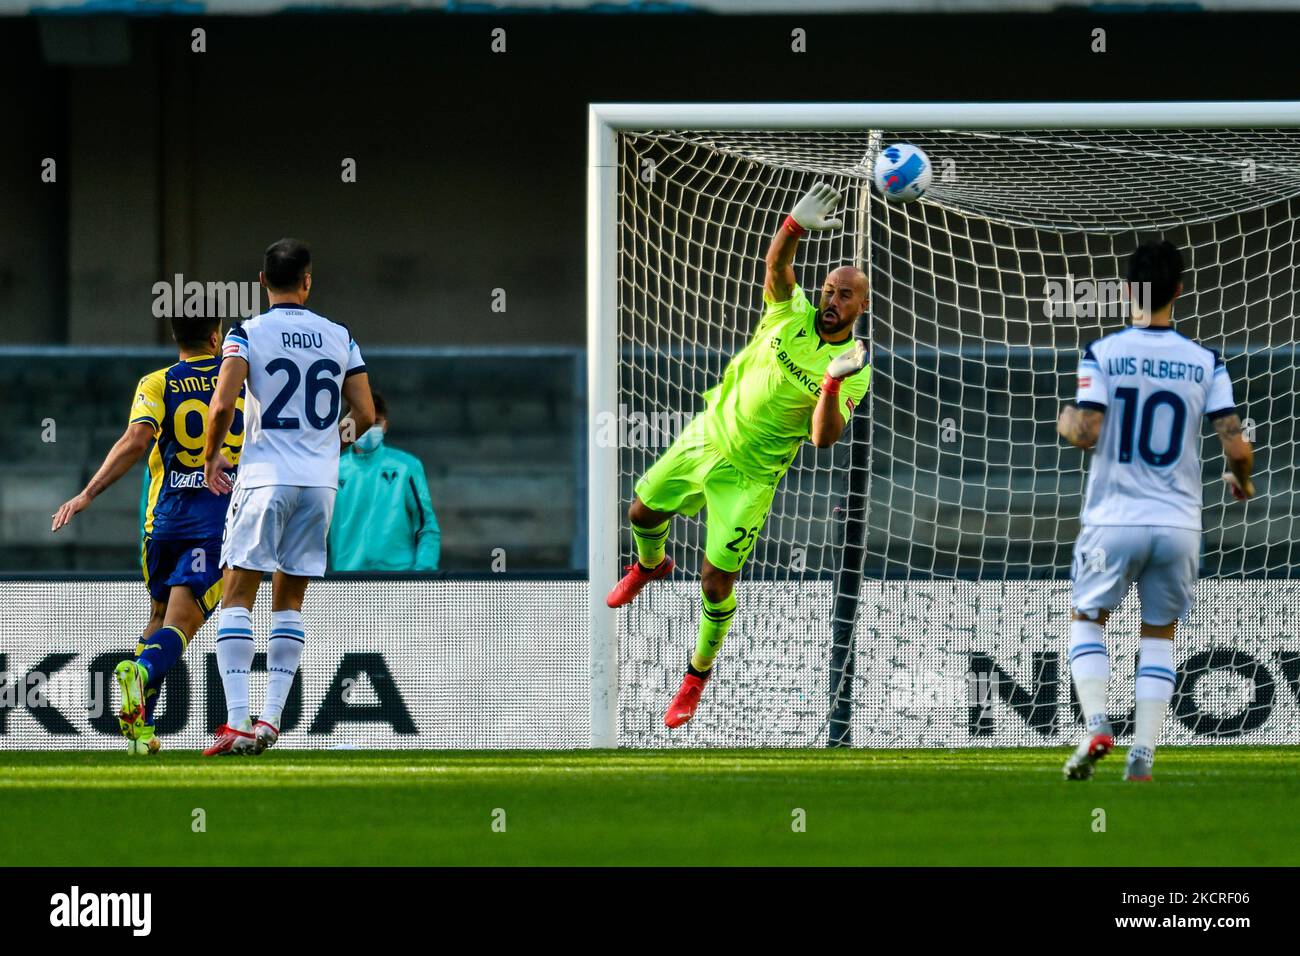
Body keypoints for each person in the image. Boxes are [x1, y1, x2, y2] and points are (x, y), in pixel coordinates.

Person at [606, 182, 871, 729]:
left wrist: (828, 384)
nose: (831, 298)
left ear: (862, 307)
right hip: (706, 436)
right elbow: (777, 267)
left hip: (750, 478)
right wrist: (792, 228)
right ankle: (650, 567)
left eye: (845, 294)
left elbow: (823, 440)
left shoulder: (854, 366)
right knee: (640, 513)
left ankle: (694, 677)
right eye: (828, 289)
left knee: (714, 582)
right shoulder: (789, 313)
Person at [1057, 239, 1254, 782]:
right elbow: (1236, 446)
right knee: (1159, 633)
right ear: (1180, 290)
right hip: (1178, 523)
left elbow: (1087, 432)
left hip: (1113, 520)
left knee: (1088, 619)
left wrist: (1065, 419)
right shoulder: (1205, 362)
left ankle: (1097, 723)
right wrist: (1241, 480)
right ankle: (1142, 757)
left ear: (1127, 291)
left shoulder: (1104, 353)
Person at [202, 238, 374, 756]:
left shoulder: (246, 333)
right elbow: (364, 414)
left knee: (237, 593)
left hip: (265, 477)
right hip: (319, 484)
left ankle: (235, 722)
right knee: (290, 600)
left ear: (261, 282)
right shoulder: (339, 335)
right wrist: (329, 444)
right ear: (307, 281)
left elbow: (222, 405)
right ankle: (272, 720)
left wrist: (213, 456)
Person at [51, 316, 245, 754]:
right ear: (215, 338)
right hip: (214, 522)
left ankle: (141, 732)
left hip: (163, 522)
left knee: (158, 616)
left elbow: (136, 441)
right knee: (179, 624)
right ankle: (139, 674)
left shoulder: (157, 382)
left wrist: (86, 494)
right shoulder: (240, 380)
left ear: (176, 339)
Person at [329, 390, 441, 571]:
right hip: (347, 583)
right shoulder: (332, 471)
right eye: (364, 423)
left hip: (399, 580)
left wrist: (422, 575)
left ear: (385, 426)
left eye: (376, 423)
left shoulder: (406, 467)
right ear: (348, 425)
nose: (368, 429)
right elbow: (316, 534)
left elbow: (426, 527)